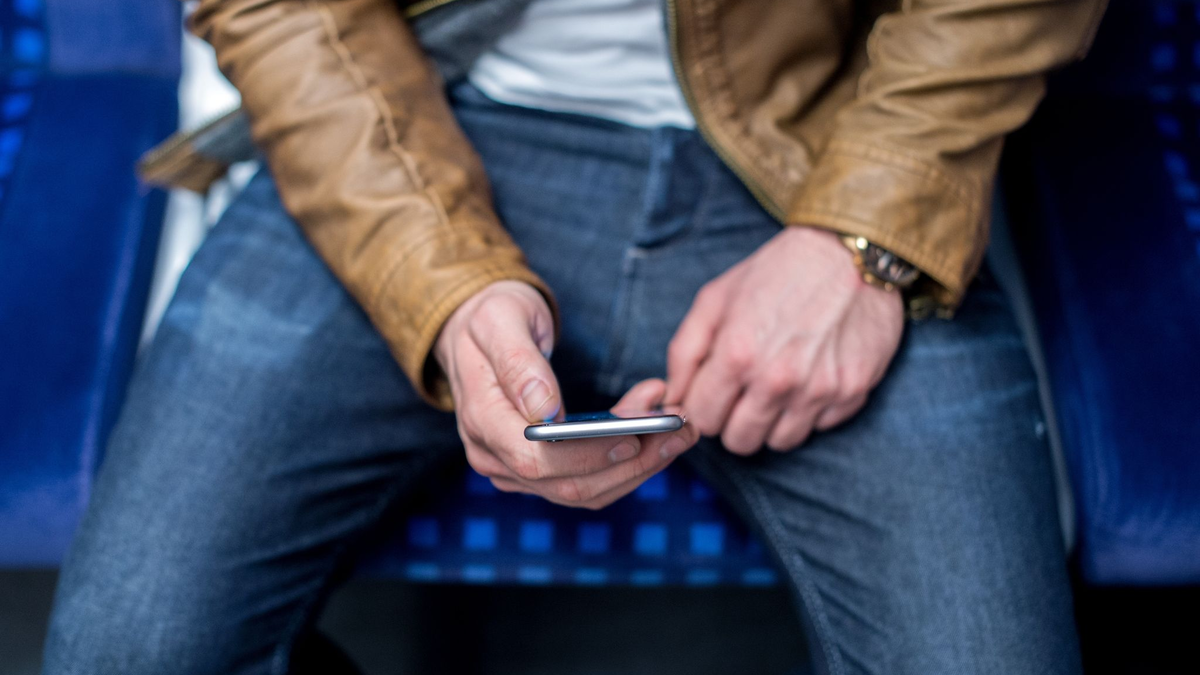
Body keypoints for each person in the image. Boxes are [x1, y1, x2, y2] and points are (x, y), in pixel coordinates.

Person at [42, 0, 1106, 672]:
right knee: (131, 651)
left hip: (824, 150)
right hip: (398, 134)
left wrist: (861, 241)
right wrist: (440, 282)